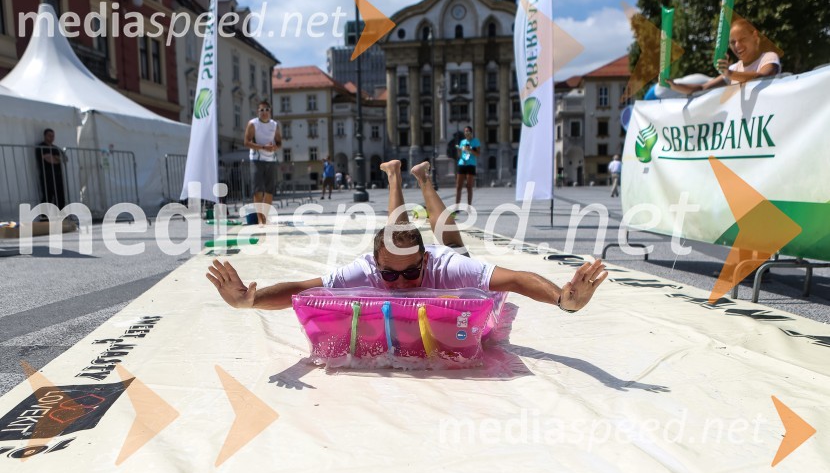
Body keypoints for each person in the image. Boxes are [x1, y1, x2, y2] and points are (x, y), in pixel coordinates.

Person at [207, 159, 607, 313]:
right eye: (390, 275)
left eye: (409, 273)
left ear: (425, 261)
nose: (399, 284)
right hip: (396, 245)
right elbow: (299, 289)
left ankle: (423, 179)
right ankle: (397, 175)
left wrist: (562, 299)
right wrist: (251, 300)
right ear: (374, 264)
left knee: (450, 237)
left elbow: (518, 279)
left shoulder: (444, 265)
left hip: (447, 254)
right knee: (396, 227)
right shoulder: (365, 269)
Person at [668, 19, 781, 95]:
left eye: (742, 39)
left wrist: (730, 74)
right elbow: (703, 88)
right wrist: (674, 85)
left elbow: (763, 77)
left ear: (755, 37)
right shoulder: (733, 69)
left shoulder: (769, 57)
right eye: (732, 42)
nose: (737, 46)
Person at [244, 100, 282, 225]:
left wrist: (274, 147)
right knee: (258, 190)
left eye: (267, 110)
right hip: (256, 159)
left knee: (270, 191)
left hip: (271, 159)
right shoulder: (253, 124)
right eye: (262, 110)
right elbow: (246, 142)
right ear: (258, 112)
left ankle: (265, 217)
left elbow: (279, 143)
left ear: (270, 111)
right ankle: (260, 219)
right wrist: (262, 147)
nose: (264, 112)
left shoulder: (274, 125)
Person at [35, 128, 67, 209]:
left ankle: (60, 215)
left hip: (58, 175)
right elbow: (49, 159)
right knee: (47, 196)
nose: (52, 138)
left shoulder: (56, 148)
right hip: (47, 175)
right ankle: (44, 217)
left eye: (53, 136)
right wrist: (56, 158)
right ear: (45, 136)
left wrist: (55, 158)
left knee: (60, 196)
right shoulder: (40, 147)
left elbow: (64, 159)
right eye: (49, 135)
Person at [455, 126, 481, 207]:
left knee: (469, 186)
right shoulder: (462, 142)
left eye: (468, 131)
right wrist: (459, 150)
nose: (466, 133)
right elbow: (460, 155)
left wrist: (470, 150)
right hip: (462, 164)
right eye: (465, 131)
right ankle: (457, 206)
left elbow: (478, 154)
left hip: (471, 165)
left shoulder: (476, 142)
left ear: (471, 132)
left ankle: (469, 206)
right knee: (458, 186)